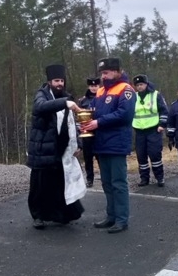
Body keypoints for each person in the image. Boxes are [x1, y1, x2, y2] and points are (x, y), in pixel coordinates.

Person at [26, 64, 87, 229]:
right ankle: (38, 216)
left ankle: (62, 215)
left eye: (61, 80)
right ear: (49, 81)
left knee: (61, 183)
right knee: (39, 185)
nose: (60, 83)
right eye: (56, 80)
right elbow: (40, 107)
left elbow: (73, 124)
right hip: (42, 148)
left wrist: (79, 144)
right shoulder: (42, 95)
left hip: (61, 148)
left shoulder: (66, 97)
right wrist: (65, 103)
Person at [79, 57, 135, 234]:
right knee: (106, 183)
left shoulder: (126, 90)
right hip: (101, 143)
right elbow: (94, 111)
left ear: (117, 71)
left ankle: (121, 219)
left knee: (118, 183)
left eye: (107, 72)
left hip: (117, 143)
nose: (103, 76)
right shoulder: (101, 91)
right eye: (102, 73)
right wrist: (86, 119)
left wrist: (98, 122)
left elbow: (124, 115)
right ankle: (111, 216)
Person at [131, 74, 168, 187]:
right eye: (137, 85)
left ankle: (159, 177)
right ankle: (144, 178)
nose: (139, 87)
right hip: (139, 131)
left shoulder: (155, 95)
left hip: (154, 130)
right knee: (141, 156)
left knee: (155, 155)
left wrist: (162, 124)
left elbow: (164, 110)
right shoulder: (134, 97)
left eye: (141, 84)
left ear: (146, 84)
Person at [77, 76, 100, 187]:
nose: (94, 88)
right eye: (92, 86)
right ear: (88, 86)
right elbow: (78, 117)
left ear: (99, 86)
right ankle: (89, 179)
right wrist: (79, 128)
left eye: (96, 86)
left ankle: (105, 177)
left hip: (100, 132)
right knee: (88, 157)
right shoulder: (82, 101)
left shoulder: (103, 98)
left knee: (101, 156)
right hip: (87, 133)